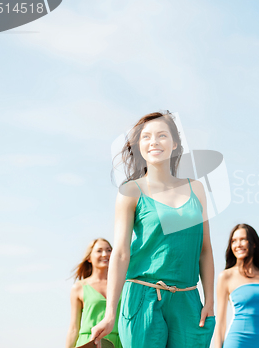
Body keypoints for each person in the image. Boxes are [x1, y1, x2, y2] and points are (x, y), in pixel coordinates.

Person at [90, 111, 215, 348]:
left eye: (162, 135)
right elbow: (121, 253)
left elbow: (205, 249)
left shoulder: (197, 189)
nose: (154, 142)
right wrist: (110, 314)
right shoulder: (130, 191)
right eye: (146, 137)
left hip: (188, 299)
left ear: (175, 143)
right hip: (143, 297)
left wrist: (209, 300)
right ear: (139, 146)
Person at [215, 223, 259, 348]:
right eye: (234, 241)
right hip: (237, 341)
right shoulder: (226, 276)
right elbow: (221, 323)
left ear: (254, 244)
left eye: (243, 239)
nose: (238, 244)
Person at [65, 238, 122, 348]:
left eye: (109, 250)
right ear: (89, 258)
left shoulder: (122, 285)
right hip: (89, 342)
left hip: (118, 343)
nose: (105, 254)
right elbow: (73, 328)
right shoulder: (79, 287)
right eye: (99, 251)